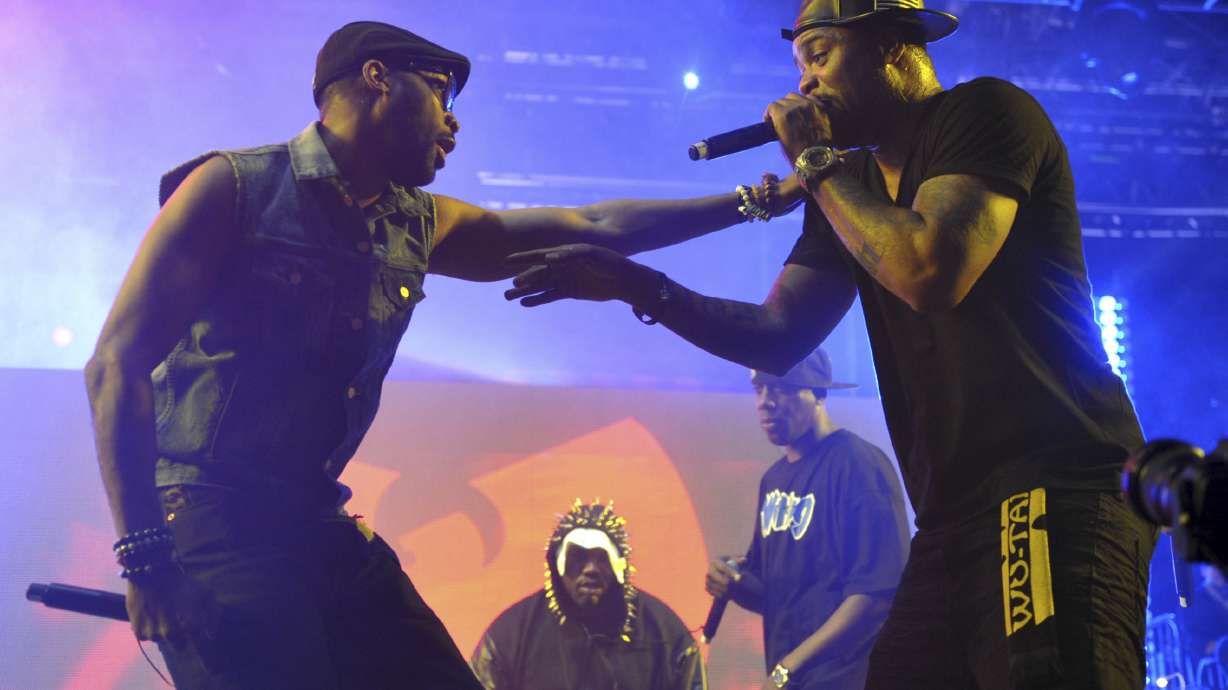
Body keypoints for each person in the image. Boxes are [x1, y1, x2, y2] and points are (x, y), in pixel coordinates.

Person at [83, 20, 789, 690]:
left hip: (312, 519)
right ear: (377, 78)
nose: (454, 123)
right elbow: (115, 365)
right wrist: (145, 559)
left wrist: (755, 201)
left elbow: (593, 224)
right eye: (441, 93)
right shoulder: (236, 186)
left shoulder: (416, 223)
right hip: (209, 517)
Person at [503, 0, 1158, 687]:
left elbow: (930, 272)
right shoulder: (850, 187)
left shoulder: (985, 113)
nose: (805, 83)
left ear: (892, 47)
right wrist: (636, 285)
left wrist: (815, 163)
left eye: (820, 56)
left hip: (1053, 480)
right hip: (950, 515)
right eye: (799, 65)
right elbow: (777, 335)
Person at [705, 348, 908, 690]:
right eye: (759, 389)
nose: (765, 402)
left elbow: (875, 594)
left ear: (818, 393)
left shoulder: (857, 464)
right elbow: (776, 597)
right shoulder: (773, 481)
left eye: (781, 388)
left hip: (849, 678)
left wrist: (789, 667)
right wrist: (732, 580)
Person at [471, 500, 705, 690]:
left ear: (619, 566)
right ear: (557, 565)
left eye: (602, 557)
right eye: (578, 557)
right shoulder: (511, 636)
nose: (591, 569)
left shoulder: (664, 634)